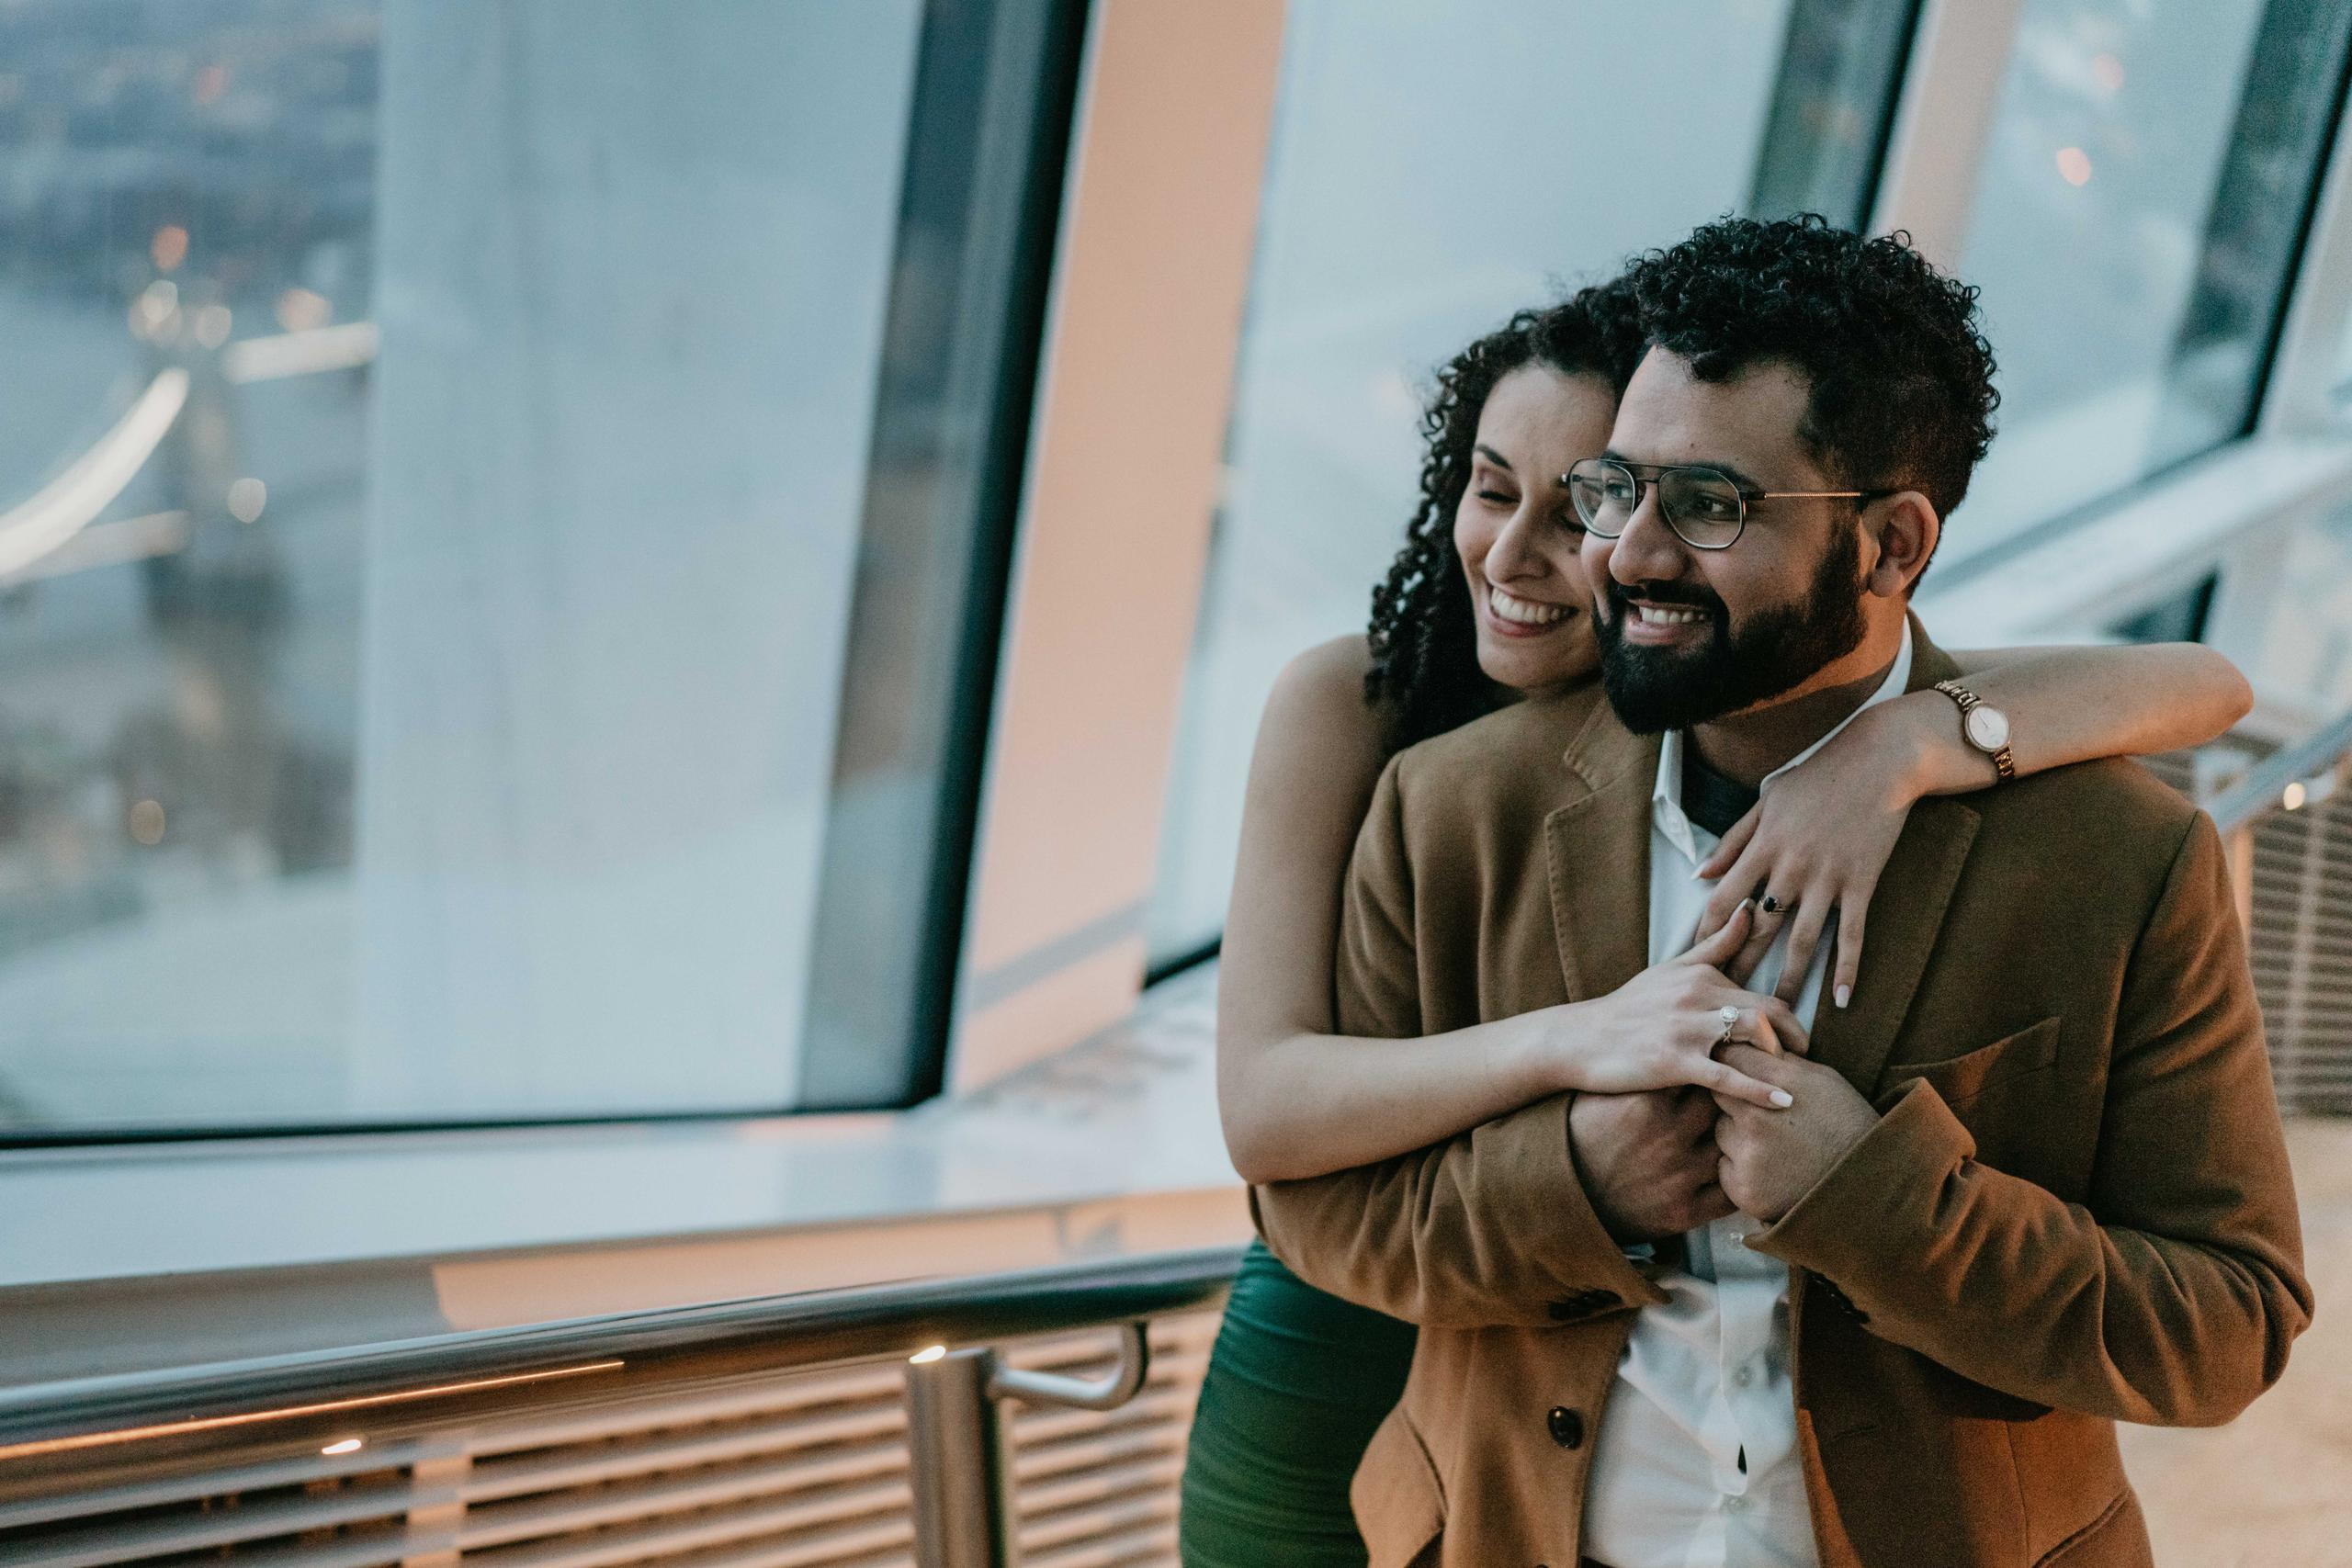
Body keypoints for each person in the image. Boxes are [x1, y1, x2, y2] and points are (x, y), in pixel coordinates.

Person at [1239, 216, 2312, 1568]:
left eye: (1709, 505)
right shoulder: (1449, 807)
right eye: (1620, 488)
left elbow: (2227, 1328)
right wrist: (1578, 1185)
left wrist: (1883, 1201)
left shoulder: (2119, 860)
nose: (1625, 554)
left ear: (1892, 545)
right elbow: (1316, 1210)